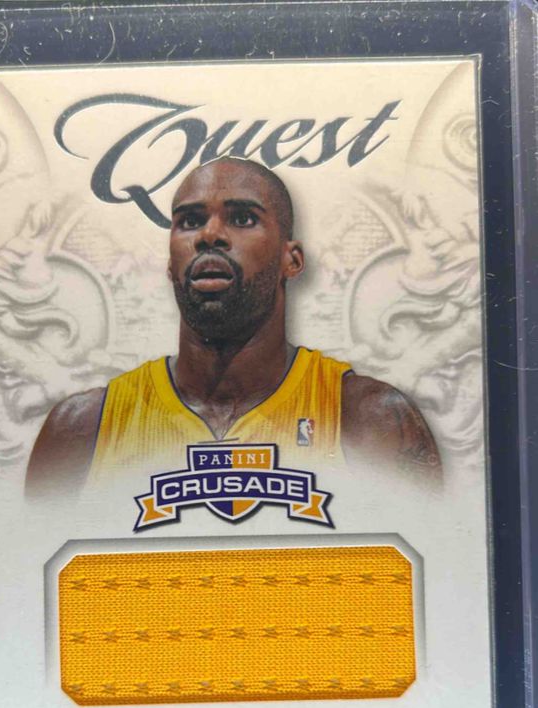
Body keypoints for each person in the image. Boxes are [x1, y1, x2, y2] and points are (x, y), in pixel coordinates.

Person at [26, 157, 441, 501]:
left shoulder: (371, 420)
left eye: (242, 218)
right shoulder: (81, 430)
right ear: (170, 263)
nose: (209, 235)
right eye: (190, 221)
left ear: (292, 260)